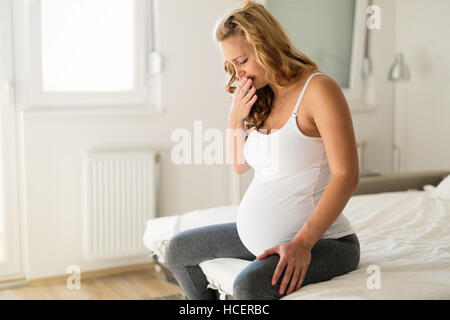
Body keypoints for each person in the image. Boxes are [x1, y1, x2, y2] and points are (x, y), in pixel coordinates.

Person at [165, 0, 361, 300]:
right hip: (261, 239)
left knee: (247, 287)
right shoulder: (262, 95)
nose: (238, 74)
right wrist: (235, 119)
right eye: (231, 65)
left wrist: (303, 244)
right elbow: (240, 165)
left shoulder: (319, 91)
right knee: (180, 250)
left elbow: (346, 175)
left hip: (324, 242)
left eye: (242, 61)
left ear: (267, 45)